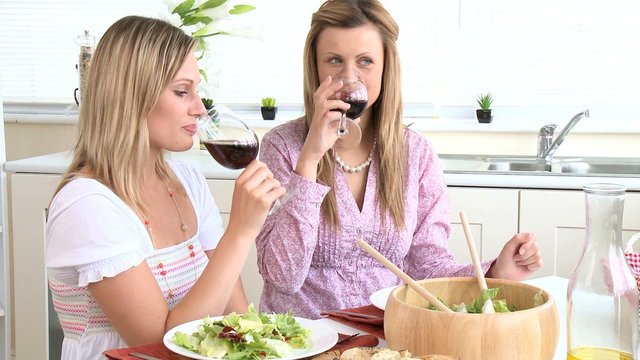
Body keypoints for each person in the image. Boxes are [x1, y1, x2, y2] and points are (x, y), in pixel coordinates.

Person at [255, 0, 543, 319]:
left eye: (365, 61)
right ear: (315, 67)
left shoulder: (416, 155)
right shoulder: (282, 146)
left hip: (385, 340)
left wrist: (497, 271)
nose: (349, 77)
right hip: (300, 340)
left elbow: (428, 270)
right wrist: (309, 159)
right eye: (334, 60)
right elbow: (283, 278)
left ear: (385, 67)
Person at [44, 15, 285, 360]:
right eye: (182, 91)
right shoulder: (87, 205)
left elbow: (239, 320)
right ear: (131, 96)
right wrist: (241, 232)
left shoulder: (187, 181)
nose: (200, 108)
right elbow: (160, 349)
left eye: (198, 91)